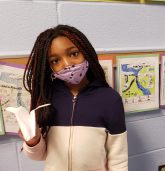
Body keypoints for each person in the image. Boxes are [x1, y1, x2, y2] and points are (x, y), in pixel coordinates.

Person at [20, 25, 128, 171]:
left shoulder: (110, 99)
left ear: (86, 53)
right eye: (55, 61)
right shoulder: (46, 99)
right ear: (48, 67)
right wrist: (33, 142)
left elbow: (118, 159)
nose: (67, 64)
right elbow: (39, 156)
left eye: (73, 54)